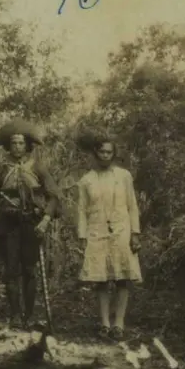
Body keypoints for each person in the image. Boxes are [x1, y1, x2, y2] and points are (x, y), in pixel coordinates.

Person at [0, 120, 61, 330]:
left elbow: (54, 196)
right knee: (11, 269)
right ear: (9, 146)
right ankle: (15, 315)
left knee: (29, 269)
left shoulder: (37, 168)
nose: (17, 147)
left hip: (31, 224)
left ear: (27, 146)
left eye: (21, 143)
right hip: (8, 225)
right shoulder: (0, 171)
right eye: (14, 143)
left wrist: (45, 219)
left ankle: (29, 315)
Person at [77, 136, 142, 341]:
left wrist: (135, 233)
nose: (105, 156)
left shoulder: (123, 176)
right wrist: (82, 236)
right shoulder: (87, 180)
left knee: (122, 278)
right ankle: (104, 323)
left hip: (121, 230)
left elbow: (132, 205)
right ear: (96, 154)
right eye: (101, 152)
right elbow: (81, 210)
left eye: (109, 152)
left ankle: (119, 324)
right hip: (97, 231)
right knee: (101, 279)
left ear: (114, 155)